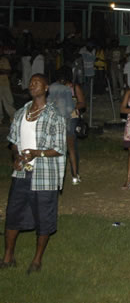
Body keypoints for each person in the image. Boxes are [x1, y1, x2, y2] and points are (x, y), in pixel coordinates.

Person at [1, 74, 66, 274]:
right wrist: (16, 156)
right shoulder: (21, 113)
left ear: (45, 88)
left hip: (45, 175)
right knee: (13, 214)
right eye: (30, 83)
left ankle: (37, 260)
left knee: (44, 218)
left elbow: (60, 148)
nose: (32, 85)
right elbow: (13, 141)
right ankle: (8, 256)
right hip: (22, 174)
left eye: (36, 82)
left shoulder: (55, 115)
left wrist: (36, 153)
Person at [0, 51, 16, 124]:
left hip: (4, 84)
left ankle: (13, 117)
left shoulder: (4, 60)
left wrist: (2, 71)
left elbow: (8, 72)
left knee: (8, 101)